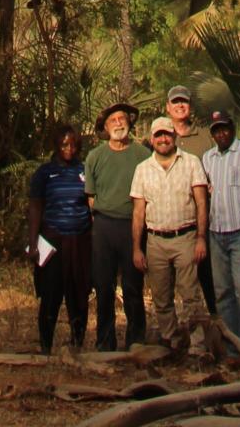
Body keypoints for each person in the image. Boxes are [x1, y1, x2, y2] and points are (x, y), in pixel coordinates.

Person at [131, 115, 210, 348]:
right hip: (155, 240)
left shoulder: (191, 162)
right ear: (152, 139)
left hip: (185, 236)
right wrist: (137, 248)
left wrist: (201, 239)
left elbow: (201, 203)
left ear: (174, 136)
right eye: (158, 135)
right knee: (161, 298)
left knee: (191, 296)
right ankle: (172, 342)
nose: (163, 139)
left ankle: (197, 346)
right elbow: (138, 213)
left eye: (167, 134)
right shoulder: (143, 169)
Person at [84, 98, 149, 351]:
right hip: (103, 227)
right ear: (106, 126)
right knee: (103, 285)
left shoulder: (143, 155)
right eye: (113, 120)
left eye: (122, 118)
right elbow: (90, 197)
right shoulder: (95, 157)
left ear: (129, 123)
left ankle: (136, 341)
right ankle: (105, 342)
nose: (118, 123)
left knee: (133, 286)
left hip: (132, 226)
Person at [27, 123, 92, 355]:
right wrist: (33, 242)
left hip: (80, 241)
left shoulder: (84, 170)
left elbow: (91, 206)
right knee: (51, 295)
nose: (69, 149)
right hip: (52, 243)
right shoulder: (44, 173)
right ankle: (45, 347)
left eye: (74, 145)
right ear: (56, 145)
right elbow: (35, 207)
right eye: (65, 144)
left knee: (79, 295)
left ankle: (77, 344)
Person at [202, 108, 240, 355]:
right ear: (212, 134)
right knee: (223, 292)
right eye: (216, 130)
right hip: (216, 231)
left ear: (232, 128)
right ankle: (232, 348)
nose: (221, 133)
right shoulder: (207, 158)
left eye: (224, 128)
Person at [166, 84, 216, 313]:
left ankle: (217, 323)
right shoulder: (162, 138)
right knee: (175, 283)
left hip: (204, 219)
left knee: (209, 276)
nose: (180, 106)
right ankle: (182, 330)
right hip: (174, 222)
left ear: (190, 106)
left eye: (183, 102)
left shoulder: (205, 137)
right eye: (175, 102)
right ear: (167, 107)